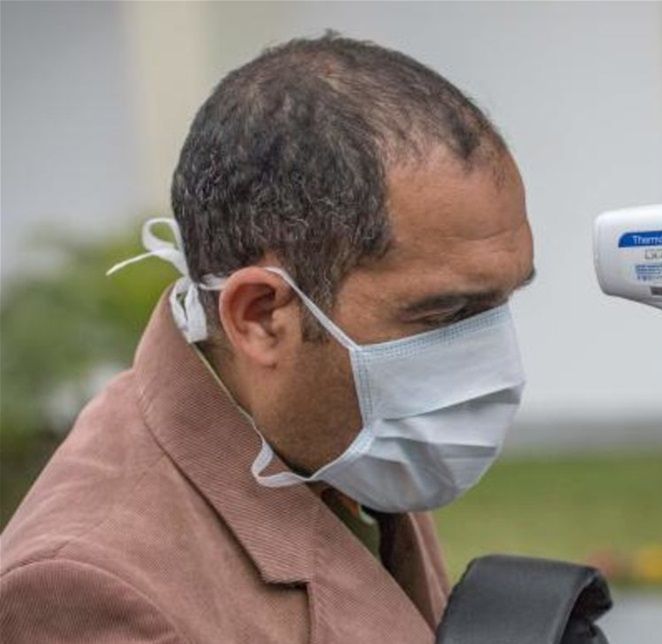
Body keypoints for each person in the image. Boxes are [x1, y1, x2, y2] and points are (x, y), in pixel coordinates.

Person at [1, 35, 531, 642]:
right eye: (446, 314)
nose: (495, 361)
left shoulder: (337, 442)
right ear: (259, 317)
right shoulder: (89, 590)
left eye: (501, 303)